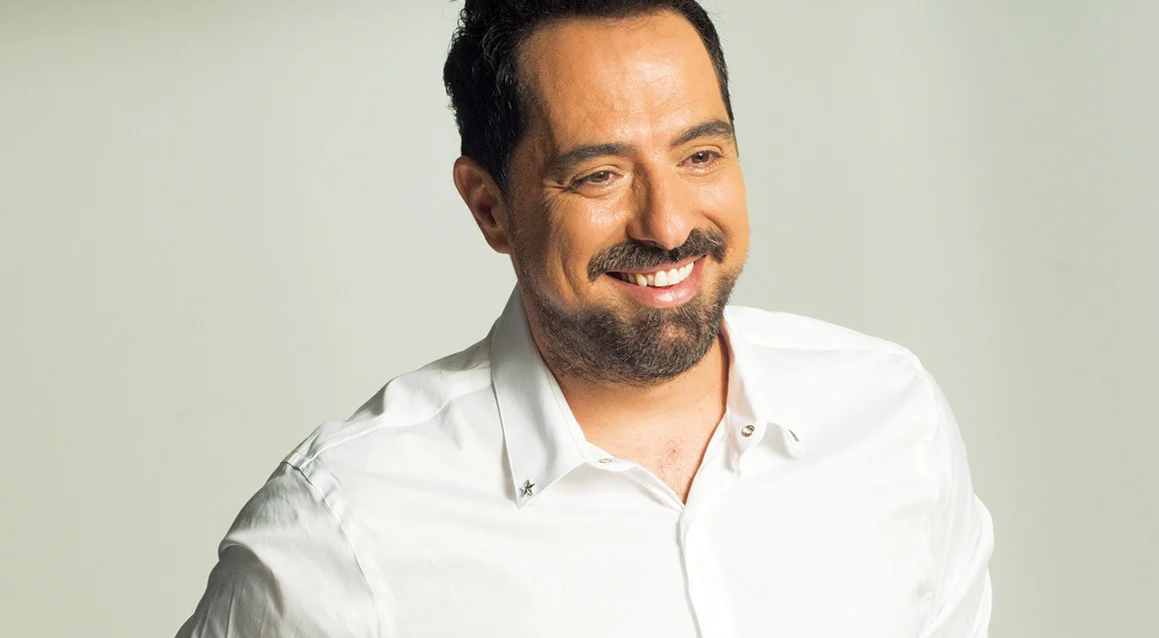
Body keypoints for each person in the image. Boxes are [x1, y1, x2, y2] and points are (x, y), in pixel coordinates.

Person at [175, 1, 994, 636]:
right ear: (489, 207)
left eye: (700, 155)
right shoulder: (344, 530)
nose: (668, 225)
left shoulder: (890, 417)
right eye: (599, 174)